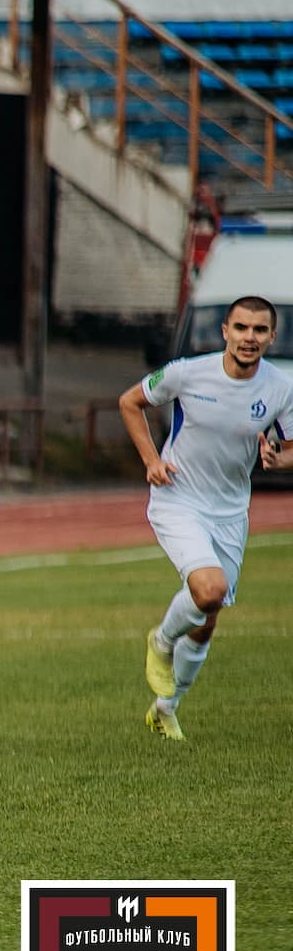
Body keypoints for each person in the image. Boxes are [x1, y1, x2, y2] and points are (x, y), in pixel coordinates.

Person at [122, 295, 293, 740]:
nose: (249, 338)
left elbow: (291, 447)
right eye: (241, 328)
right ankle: (160, 642)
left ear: (272, 336)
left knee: (209, 613)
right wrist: (150, 460)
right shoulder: (186, 372)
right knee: (209, 588)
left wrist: (279, 457)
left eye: (259, 330)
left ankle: (166, 707)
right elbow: (130, 402)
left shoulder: (281, 387)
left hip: (231, 512)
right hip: (178, 499)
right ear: (225, 332)